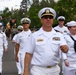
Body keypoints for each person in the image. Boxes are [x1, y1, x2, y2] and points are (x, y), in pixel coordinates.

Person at [23, 7, 68, 75]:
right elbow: (28, 54)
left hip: (54, 70)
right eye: (45, 17)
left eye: (50, 17)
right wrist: (25, 71)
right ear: (41, 20)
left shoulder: (59, 35)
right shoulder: (34, 35)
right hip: (38, 70)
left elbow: (65, 49)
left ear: (53, 20)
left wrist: (65, 49)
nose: (48, 19)